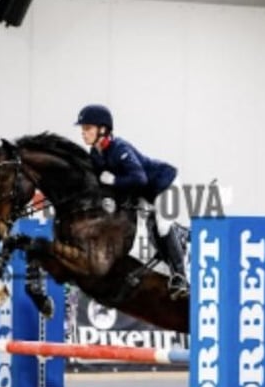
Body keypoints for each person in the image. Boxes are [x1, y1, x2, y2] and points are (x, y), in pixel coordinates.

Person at [74, 103, 188, 297]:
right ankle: (179, 236)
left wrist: (114, 180)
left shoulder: (120, 148)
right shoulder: (96, 153)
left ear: (103, 129)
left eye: (88, 128)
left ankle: (180, 277)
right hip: (147, 194)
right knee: (154, 231)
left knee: (162, 226)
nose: (83, 133)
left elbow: (140, 178)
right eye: (83, 129)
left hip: (165, 184)